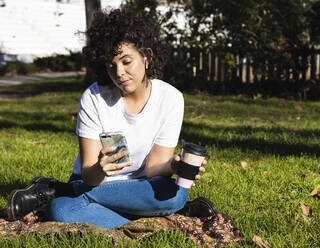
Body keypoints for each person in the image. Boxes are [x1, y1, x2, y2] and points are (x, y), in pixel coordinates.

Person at [7, 8, 217, 229]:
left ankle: (60, 191)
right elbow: (89, 175)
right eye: (111, 66)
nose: (119, 73)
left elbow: (154, 168)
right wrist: (100, 167)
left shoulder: (171, 99)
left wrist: (173, 166)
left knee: (175, 195)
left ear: (147, 57)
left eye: (126, 61)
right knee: (62, 212)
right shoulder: (94, 98)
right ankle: (164, 213)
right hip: (93, 184)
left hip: (142, 187)